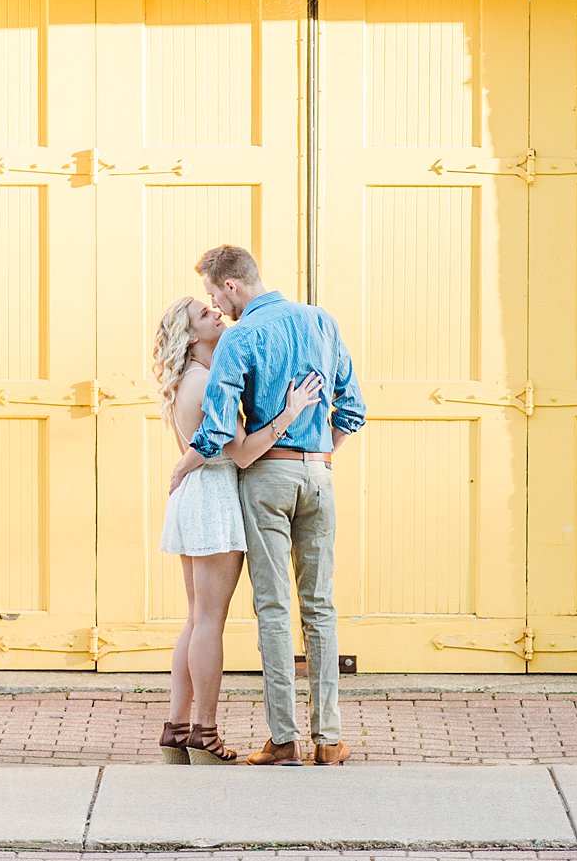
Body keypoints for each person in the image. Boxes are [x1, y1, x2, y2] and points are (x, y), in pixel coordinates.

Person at [170, 245, 366, 767]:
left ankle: (284, 740)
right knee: (320, 607)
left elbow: (215, 429)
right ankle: (329, 740)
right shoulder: (321, 322)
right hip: (318, 472)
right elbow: (354, 408)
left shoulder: (241, 337)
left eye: (214, 294)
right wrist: (319, 454)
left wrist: (183, 466)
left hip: (266, 475)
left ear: (231, 287)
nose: (216, 305)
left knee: (274, 608)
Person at [152, 295, 323, 765]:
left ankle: (177, 727)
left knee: (195, 617)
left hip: (197, 495)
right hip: (212, 498)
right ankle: (204, 732)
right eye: (204, 315)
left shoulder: (188, 380)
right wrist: (289, 414)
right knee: (209, 620)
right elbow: (242, 453)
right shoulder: (205, 381)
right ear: (190, 335)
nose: (217, 315)